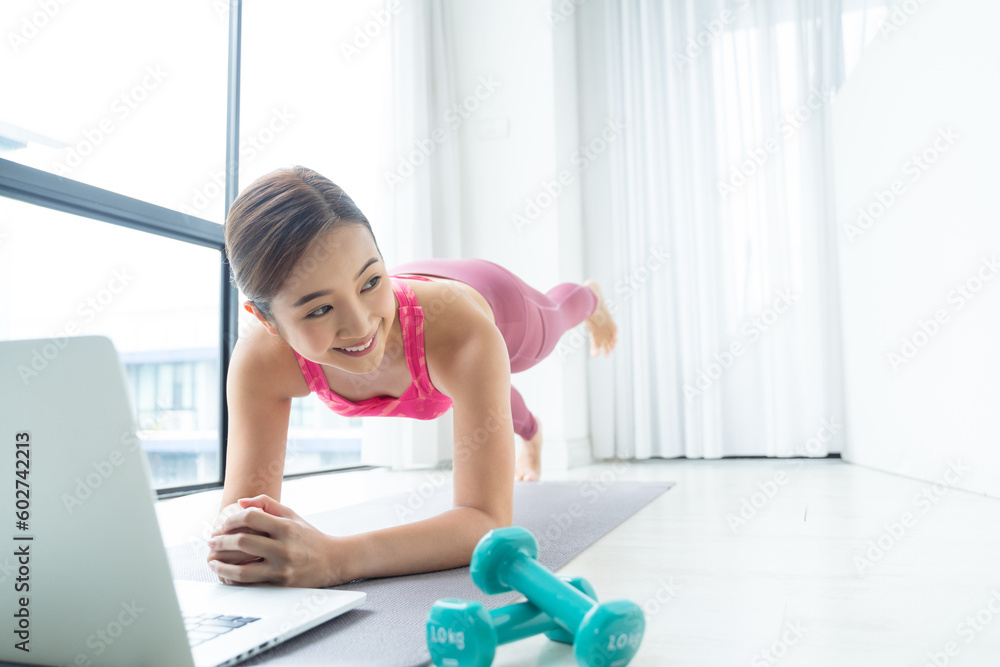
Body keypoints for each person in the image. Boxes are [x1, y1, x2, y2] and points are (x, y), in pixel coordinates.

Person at [206, 166, 618, 588]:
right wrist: (246, 546)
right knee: (484, 391)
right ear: (265, 319)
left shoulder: (464, 335)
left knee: (553, 321)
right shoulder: (262, 359)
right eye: (319, 310)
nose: (361, 326)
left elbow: (485, 520)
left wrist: (337, 557)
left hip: (496, 306)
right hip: (450, 356)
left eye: (371, 281)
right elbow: (243, 529)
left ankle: (589, 298)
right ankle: (529, 431)